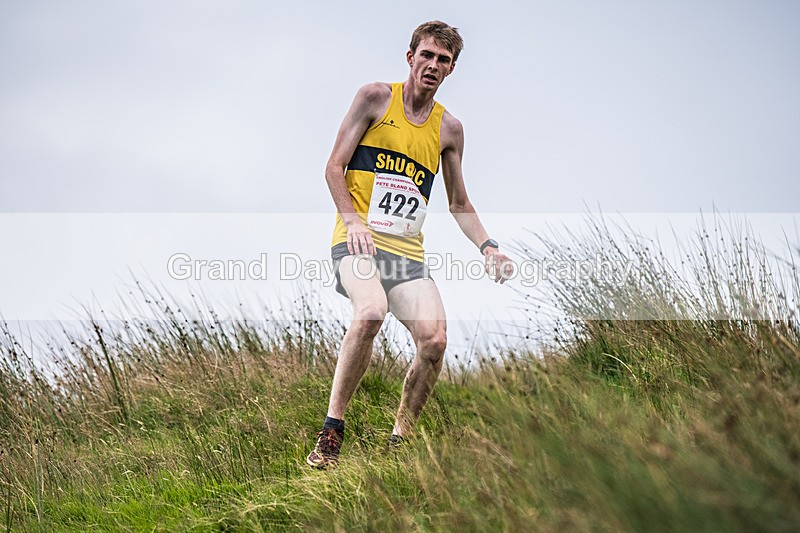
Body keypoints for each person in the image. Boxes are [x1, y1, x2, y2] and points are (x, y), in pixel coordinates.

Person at [307, 20, 512, 469]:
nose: (433, 65)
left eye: (444, 60)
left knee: (434, 340)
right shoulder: (375, 98)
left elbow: (459, 202)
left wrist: (488, 246)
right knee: (370, 311)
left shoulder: (449, 129)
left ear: (452, 69)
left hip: (406, 254)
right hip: (357, 242)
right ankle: (331, 432)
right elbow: (333, 167)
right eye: (427, 55)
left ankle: (400, 443)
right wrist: (352, 220)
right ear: (410, 57)